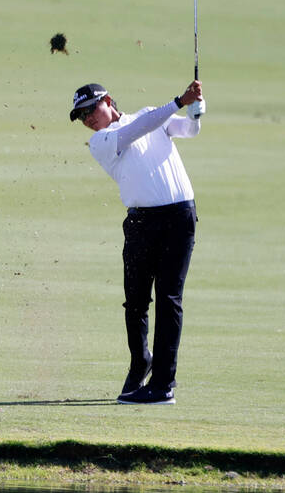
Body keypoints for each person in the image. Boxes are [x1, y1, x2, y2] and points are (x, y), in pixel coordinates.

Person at [70, 79, 205, 405]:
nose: (88, 119)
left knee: (170, 299)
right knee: (135, 301)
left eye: (91, 109)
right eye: (82, 116)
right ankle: (139, 361)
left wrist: (197, 109)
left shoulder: (150, 115)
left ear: (109, 101)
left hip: (180, 217)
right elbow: (139, 129)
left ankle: (162, 385)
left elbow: (189, 130)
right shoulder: (100, 141)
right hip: (142, 222)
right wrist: (178, 100)